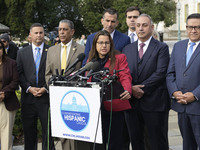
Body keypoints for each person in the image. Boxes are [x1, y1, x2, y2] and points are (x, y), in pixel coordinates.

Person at [122, 14, 170, 150]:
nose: (141, 28)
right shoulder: (127, 49)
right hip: (133, 105)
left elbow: (160, 72)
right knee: (136, 142)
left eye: (144, 25)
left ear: (152, 27)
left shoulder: (161, 48)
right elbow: (124, 74)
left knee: (157, 143)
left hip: (154, 103)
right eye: (138, 25)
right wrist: (130, 88)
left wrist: (140, 89)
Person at [87, 30, 132, 150]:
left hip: (114, 107)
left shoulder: (119, 58)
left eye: (107, 43)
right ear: (95, 45)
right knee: (97, 144)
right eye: (100, 43)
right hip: (95, 109)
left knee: (115, 143)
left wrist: (127, 90)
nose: (103, 46)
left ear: (111, 45)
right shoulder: (91, 62)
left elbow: (125, 76)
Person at [45, 19, 85, 150]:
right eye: (60, 29)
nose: (61, 32)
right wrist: (54, 86)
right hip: (58, 98)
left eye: (65, 29)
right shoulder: (51, 50)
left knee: (75, 133)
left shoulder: (82, 49)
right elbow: (47, 74)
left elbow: (85, 73)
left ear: (72, 32)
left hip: (76, 97)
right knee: (63, 133)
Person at [17, 23, 55, 150]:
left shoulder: (51, 51)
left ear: (44, 34)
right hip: (28, 98)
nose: (39, 35)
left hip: (46, 98)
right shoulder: (22, 52)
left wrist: (45, 88)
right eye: (36, 33)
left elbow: (54, 73)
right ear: (30, 35)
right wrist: (28, 88)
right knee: (29, 132)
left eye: (41, 32)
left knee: (48, 132)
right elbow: (19, 73)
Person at [166, 13, 200, 150]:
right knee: (187, 145)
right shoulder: (179, 46)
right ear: (186, 28)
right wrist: (174, 91)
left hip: (198, 106)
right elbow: (170, 73)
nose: (193, 30)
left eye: (197, 27)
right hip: (181, 107)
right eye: (190, 27)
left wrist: (195, 94)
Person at [0, 40, 20, 150]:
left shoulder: (11, 63)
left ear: (3, 49)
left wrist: (4, 93)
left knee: (5, 134)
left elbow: (15, 81)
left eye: (0, 47)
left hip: (6, 102)